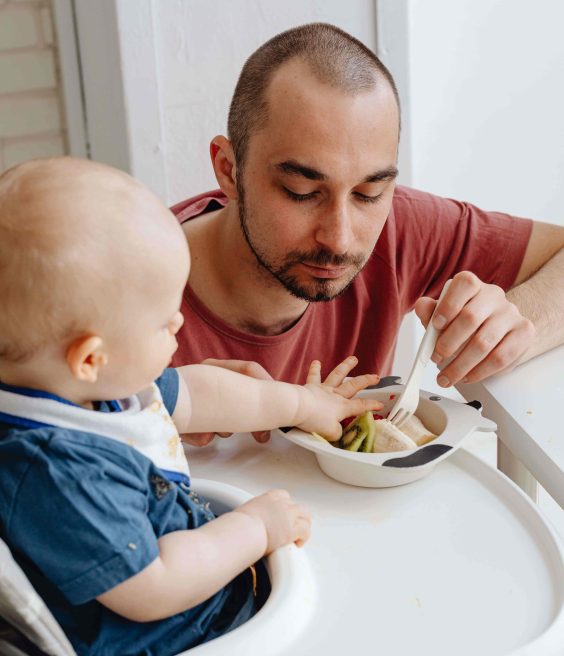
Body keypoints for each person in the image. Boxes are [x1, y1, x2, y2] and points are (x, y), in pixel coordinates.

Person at [0, 158, 383, 655]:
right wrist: (254, 528)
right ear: (90, 357)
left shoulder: (81, 387)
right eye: (163, 322)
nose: (180, 324)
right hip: (186, 636)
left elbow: (198, 394)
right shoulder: (58, 471)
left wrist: (301, 403)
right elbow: (153, 585)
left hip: (204, 582)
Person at [170, 23, 564, 446]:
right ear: (229, 170)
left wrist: (513, 326)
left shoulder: (403, 225)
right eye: (301, 192)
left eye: (368, 193)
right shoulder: (121, 297)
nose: (339, 240)